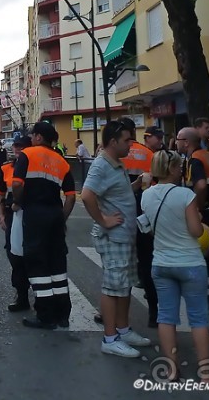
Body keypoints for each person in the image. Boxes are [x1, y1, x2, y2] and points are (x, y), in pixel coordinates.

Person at [140, 150, 209, 383]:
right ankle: (206, 372)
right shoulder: (185, 195)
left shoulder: (147, 196)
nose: (182, 169)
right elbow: (196, 231)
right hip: (190, 262)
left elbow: (150, 228)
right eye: (179, 166)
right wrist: (199, 220)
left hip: (161, 263)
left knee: (166, 317)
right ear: (171, 169)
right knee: (198, 318)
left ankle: (171, 369)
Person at [81, 119, 150, 358]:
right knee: (113, 287)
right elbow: (87, 195)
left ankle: (123, 329)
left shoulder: (116, 163)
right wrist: (103, 220)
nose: (131, 144)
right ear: (112, 142)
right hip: (113, 236)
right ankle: (110, 338)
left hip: (125, 235)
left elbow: (116, 193)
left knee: (124, 284)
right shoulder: (101, 165)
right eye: (126, 140)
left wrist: (136, 184)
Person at [12, 124, 76, 329]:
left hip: (35, 214)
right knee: (57, 264)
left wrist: (18, 202)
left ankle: (45, 315)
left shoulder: (27, 155)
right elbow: (71, 197)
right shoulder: (61, 161)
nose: (30, 139)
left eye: (32, 135)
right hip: (55, 215)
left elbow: (17, 184)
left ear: (39, 137)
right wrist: (61, 218)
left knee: (38, 264)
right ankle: (62, 314)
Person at [178, 127, 209, 325]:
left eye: (179, 139)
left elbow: (199, 185)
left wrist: (197, 209)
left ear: (187, 142)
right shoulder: (208, 155)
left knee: (207, 261)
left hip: (206, 214)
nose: (177, 142)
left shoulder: (195, 159)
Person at [120, 119, 158, 329]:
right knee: (147, 262)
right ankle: (154, 312)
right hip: (145, 210)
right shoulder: (148, 154)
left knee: (119, 264)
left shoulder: (115, 154)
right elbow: (155, 184)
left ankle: (114, 312)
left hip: (122, 210)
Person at [0, 135, 33, 312]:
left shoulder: (33, 167)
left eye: (21, 146)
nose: (17, 149)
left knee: (32, 253)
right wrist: (1, 215)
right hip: (11, 213)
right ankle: (22, 294)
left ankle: (33, 290)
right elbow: (1, 194)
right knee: (13, 253)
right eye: (16, 146)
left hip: (30, 212)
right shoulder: (6, 168)